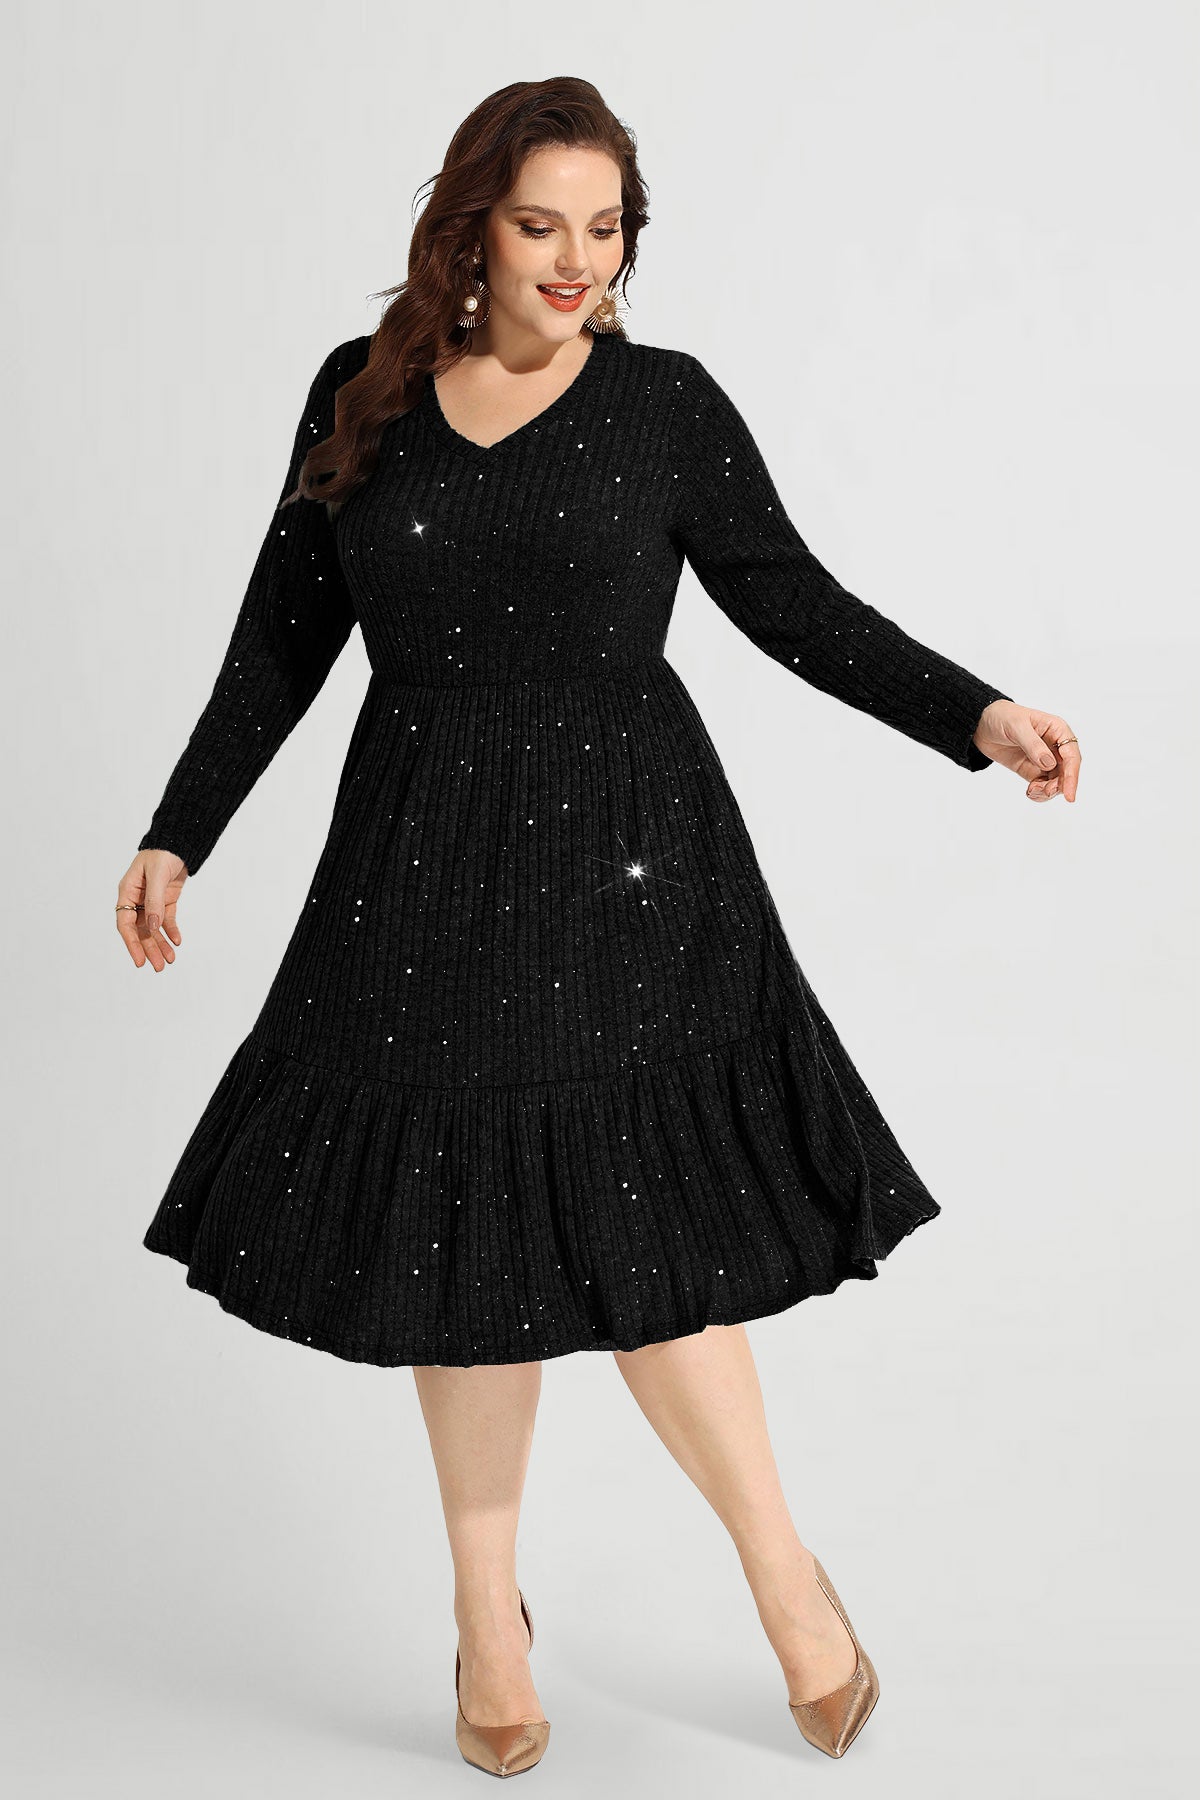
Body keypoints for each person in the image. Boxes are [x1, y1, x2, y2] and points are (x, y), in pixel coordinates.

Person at [118, 78, 1079, 1774]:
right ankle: (488, 1618)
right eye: (540, 223)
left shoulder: (663, 406)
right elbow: (281, 640)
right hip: (420, 871)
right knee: (461, 1244)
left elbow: (792, 603)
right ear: (470, 229)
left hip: (633, 869)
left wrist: (975, 711)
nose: (578, 259)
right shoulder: (362, 397)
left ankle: (785, 1581)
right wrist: (178, 829)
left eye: (607, 226)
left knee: (651, 1246)